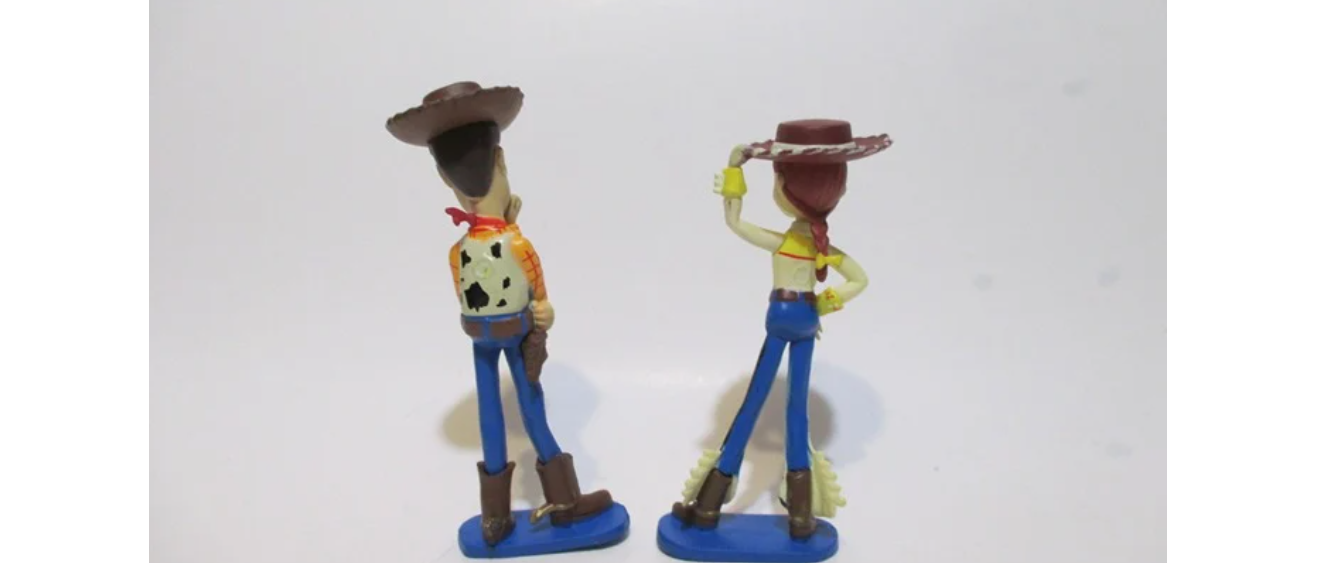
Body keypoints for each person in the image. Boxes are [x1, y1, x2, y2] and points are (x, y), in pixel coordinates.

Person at [386, 82, 613, 547]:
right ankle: (565, 502)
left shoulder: (460, 248)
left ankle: (495, 517)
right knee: (531, 407)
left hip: (480, 336)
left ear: (444, 178)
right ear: (502, 162)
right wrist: (543, 311)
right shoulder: (516, 242)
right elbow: (538, 292)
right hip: (517, 329)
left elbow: (464, 290)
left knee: (490, 413)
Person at [671, 119, 889, 539]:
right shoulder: (822, 249)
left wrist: (734, 170)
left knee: (753, 402)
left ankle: (710, 504)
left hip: (781, 318)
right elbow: (860, 279)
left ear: (784, 189)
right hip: (805, 320)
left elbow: (735, 223)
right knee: (796, 411)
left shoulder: (787, 242)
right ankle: (800, 516)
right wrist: (821, 304)